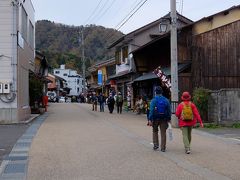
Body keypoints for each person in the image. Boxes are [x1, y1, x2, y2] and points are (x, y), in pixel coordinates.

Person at [148, 86, 171, 152]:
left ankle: (156, 144)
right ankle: (163, 147)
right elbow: (169, 110)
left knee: (155, 131)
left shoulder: (154, 100)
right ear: (162, 92)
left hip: (155, 118)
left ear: (155, 92)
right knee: (163, 132)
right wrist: (169, 118)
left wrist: (150, 119)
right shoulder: (166, 100)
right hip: (164, 118)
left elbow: (151, 110)